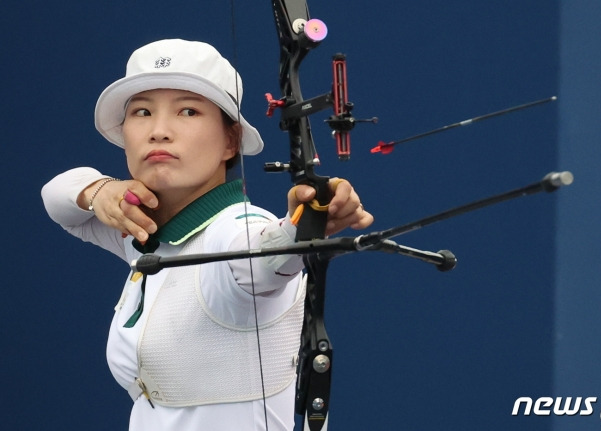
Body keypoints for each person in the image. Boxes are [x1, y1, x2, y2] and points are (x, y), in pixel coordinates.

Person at [41, 39, 373, 431]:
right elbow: (58, 198)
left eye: (188, 111)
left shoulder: (234, 231)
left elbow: (264, 256)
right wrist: (99, 192)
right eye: (143, 112)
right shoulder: (141, 229)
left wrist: (305, 224)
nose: (159, 131)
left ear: (230, 140)